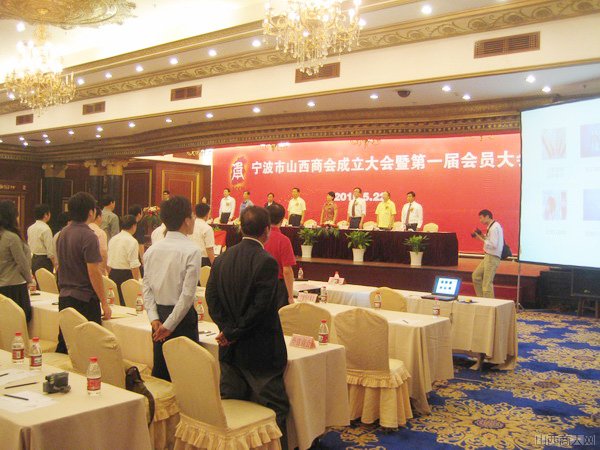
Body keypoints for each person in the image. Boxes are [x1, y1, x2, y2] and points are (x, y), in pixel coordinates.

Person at [205, 206, 289, 446]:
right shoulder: (266, 261)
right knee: (274, 408)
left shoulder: (222, 258)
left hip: (229, 349)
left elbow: (211, 298)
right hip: (259, 351)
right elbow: (260, 309)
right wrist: (233, 332)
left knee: (232, 403)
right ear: (267, 231)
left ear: (241, 228)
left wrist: (227, 329)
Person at [143, 196, 202, 381]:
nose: (194, 220)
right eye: (192, 216)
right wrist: (169, 326)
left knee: (161, 373)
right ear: (186, 220)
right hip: (182, 319)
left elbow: (147, 288)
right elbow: (187, 296)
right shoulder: (192, 250)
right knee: (185, 376)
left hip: (159, 317)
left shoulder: (151, 250)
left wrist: (154, 318)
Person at [55, 192, 112, 353]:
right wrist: (104, 302)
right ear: (91, 212)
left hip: (65, 297)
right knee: (89, 349)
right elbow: (94, 273)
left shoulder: (63, 233)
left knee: (67, 345)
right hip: (84, 299)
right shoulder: (89, 236)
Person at [0, 200, 33, 322]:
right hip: (14, 286)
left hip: (3, 285)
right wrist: (30, 280)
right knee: (18, 321)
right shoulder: (12, 237)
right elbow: (22, 262)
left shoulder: (3, 235)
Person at [265, 204, 296, 308]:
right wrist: (290, 296)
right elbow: (287, 271)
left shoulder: (259, 237)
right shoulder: (283, 240)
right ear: (282, 220)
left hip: (259, 283)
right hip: (278, 287)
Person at [107, 214, 142, 305]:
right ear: (134, 226)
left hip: (112, 274)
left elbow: (109, 261)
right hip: (126, 276)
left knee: (115, 304)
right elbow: (134, 265)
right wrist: (136, 283)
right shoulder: (132, 241)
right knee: (128, 305)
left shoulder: (113, 239)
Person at [472, 209, 504, 298]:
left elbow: (493, 244)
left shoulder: (494, 228)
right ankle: (482, 299)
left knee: (487, 284)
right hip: (488, 256)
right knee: (476, 276)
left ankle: (489, 303)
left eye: (481, 218)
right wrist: (482, 236)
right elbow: (491, 240)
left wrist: (480, 239)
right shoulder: (492, 226)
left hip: (492, 257)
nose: (480, 220)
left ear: (487, 216)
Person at [27, 203, 57, 275]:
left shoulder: (30, 228)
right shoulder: (46, 229)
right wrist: (55, 265)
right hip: (44, 261)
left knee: (37, 280)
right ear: (46, 215)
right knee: (46, 281)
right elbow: (50, 251)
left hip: (33, 259)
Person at [191, 203, 215, 267]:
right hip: (203, 261)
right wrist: (214, 265)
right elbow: (209, 249)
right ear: (207, 214)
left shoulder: (189, 226)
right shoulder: (207, 228)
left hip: (190, 258)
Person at [88, 207, 108, 275]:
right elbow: (103, 253)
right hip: (96, 269)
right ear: (99, 217)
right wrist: (103, 271)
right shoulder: (101, 233)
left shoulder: (82, 230)